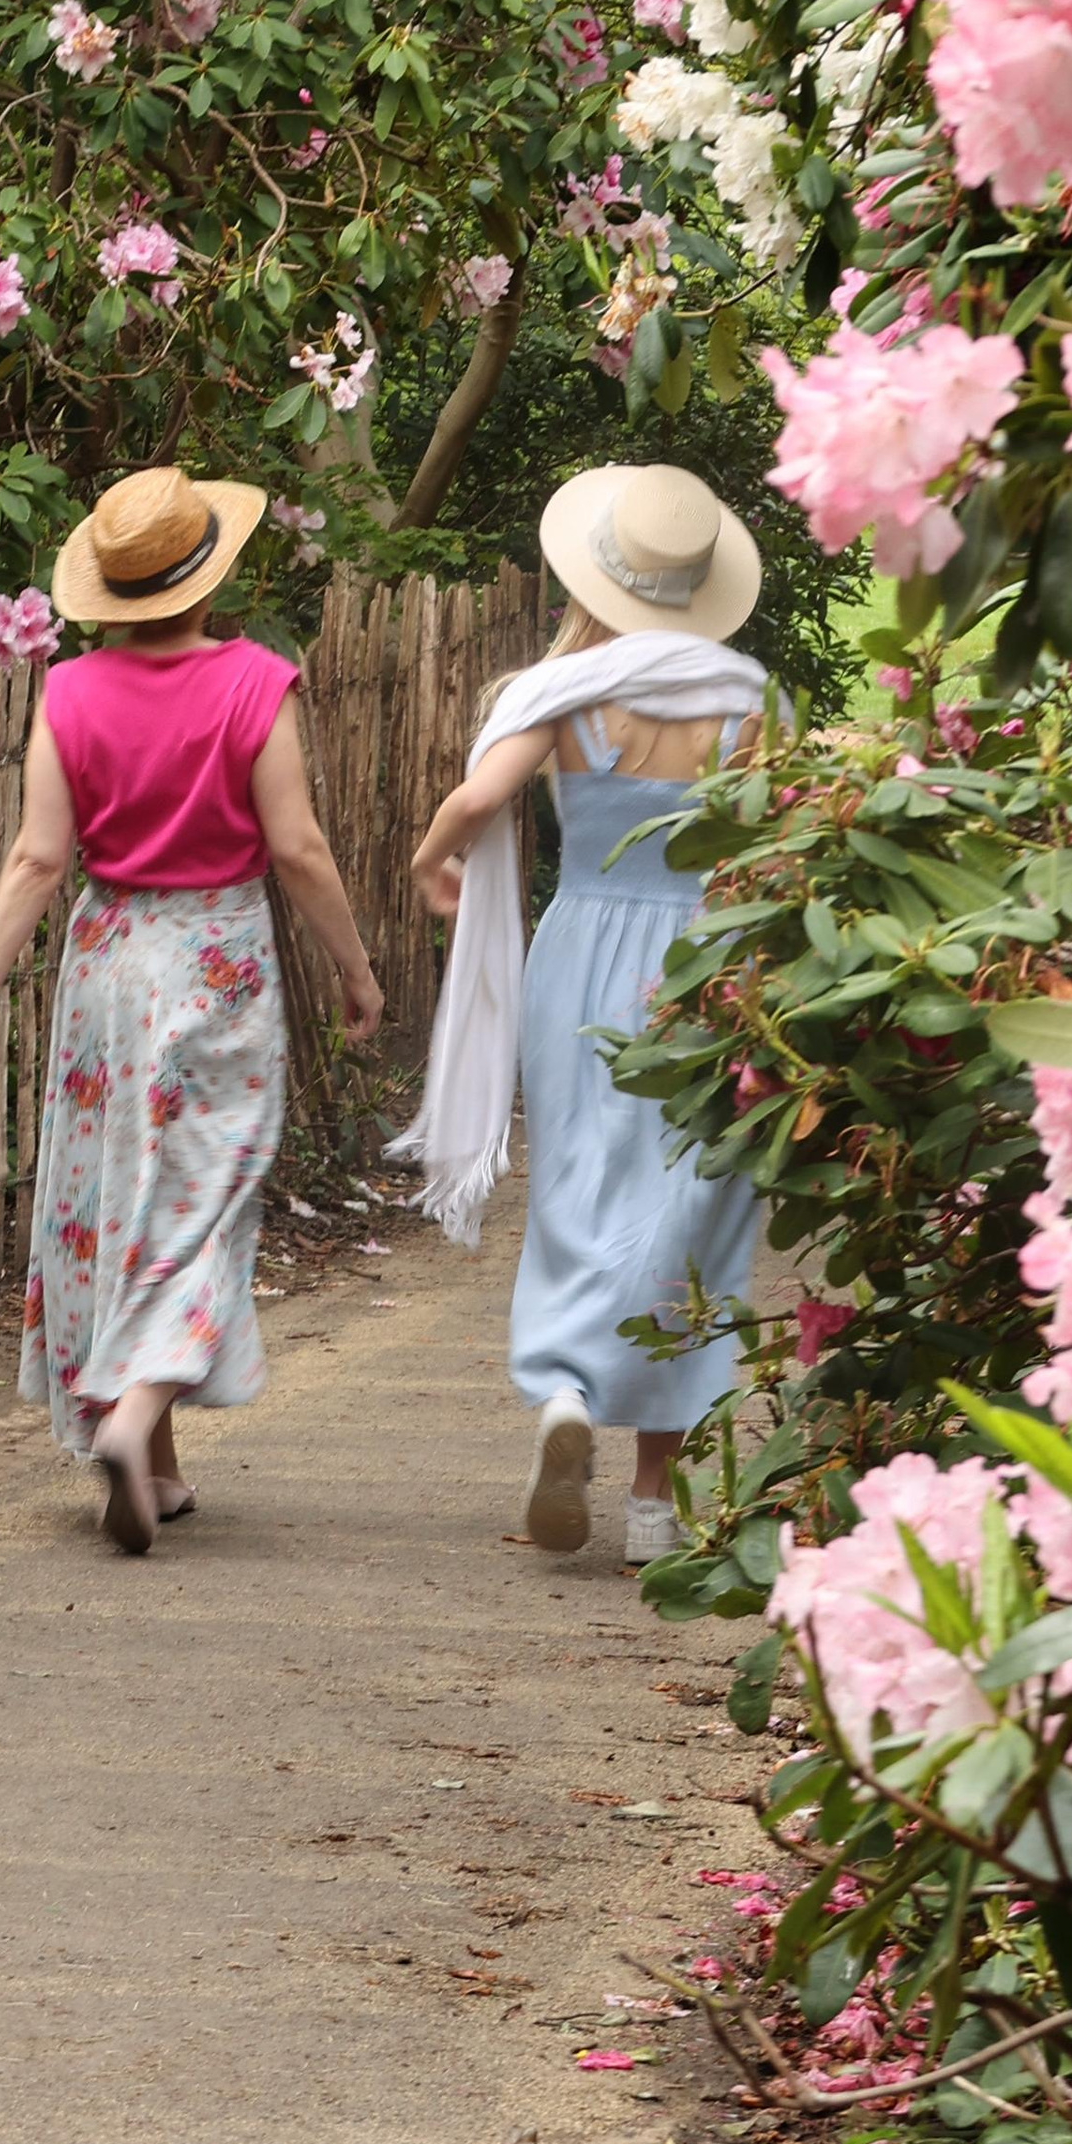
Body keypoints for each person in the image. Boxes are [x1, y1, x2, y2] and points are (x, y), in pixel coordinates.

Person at [0, 464, 383, 1557]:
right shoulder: (254, 681)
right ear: (208, 577)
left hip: (106, 962)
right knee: (203, 1195)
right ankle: (136, 1418)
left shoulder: (71, 693)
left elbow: (41, 855)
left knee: (117, 1190)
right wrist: (355, 971)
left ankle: (156, 1465)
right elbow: (297, 847)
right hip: (217, 956)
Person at [401, 461, 765, 1569]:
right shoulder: (749, 701)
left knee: (575, 1182)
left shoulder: (561, 695)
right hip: (704, 958)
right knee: (691, 1213)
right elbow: (774, 844)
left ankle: (563, 1390)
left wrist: (432, 865)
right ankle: (657, 1504)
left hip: (582, 951)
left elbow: (477, 799)